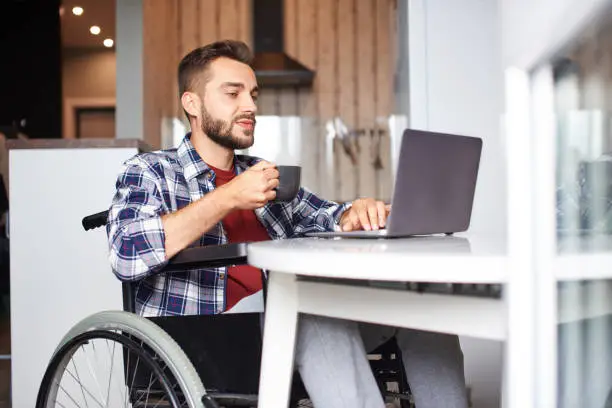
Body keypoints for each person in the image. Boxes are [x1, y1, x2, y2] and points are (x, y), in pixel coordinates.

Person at [107, 40, 468, 408]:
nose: (250, 106)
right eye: (233, 93)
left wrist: (354, 212)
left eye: (253, 95)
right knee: (310, 310)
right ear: (192, 104)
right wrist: (228, 196)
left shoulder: (261, 172)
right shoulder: (150, 171)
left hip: (281, 321)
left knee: (423, 310)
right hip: (205, 337)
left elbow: (326, 214)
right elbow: (126, 252)